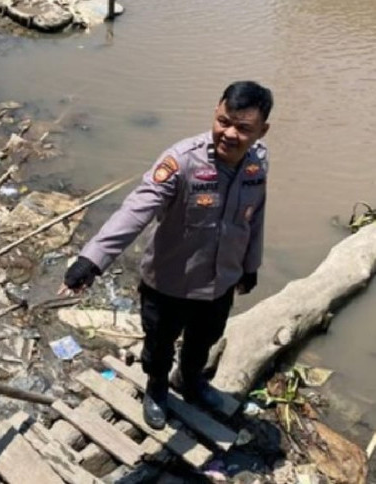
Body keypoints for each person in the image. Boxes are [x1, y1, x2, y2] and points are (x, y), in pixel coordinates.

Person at [59, 81, 273, 429]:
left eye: (243, 128)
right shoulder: (181, 161)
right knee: (158, 347)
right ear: (215, 114)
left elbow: (255, 217)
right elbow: (135, 210)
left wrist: (250, 266)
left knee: (204, 340)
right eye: (223, 121)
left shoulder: (257, 165)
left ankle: (190, 381)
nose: (229, 134)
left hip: (219, 283)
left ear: (262, 131)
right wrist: (92, 259)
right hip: (169, 283)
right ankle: (157, 386)